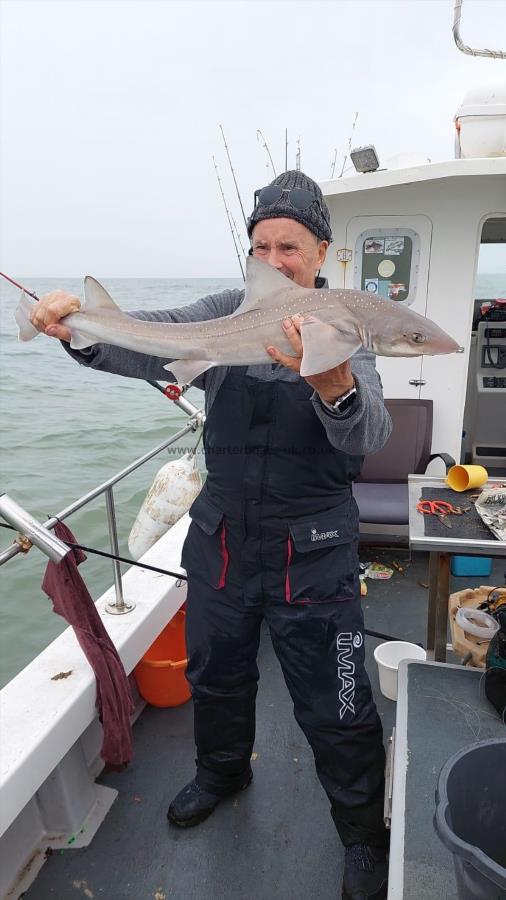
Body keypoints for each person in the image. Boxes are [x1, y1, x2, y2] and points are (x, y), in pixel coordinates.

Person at [32, 170, 392, 900]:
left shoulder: (346, 321)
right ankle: (222, 773)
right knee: (216, 678)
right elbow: (149, 341)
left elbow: (371, 437)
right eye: (262, 246)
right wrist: (80, 330)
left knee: (340, 700)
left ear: (322, 251)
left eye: (290, 245)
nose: (276, 258)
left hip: (313, 556)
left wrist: (335, 386)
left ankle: (360, 833)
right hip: (224, 541)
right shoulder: (228, 311)